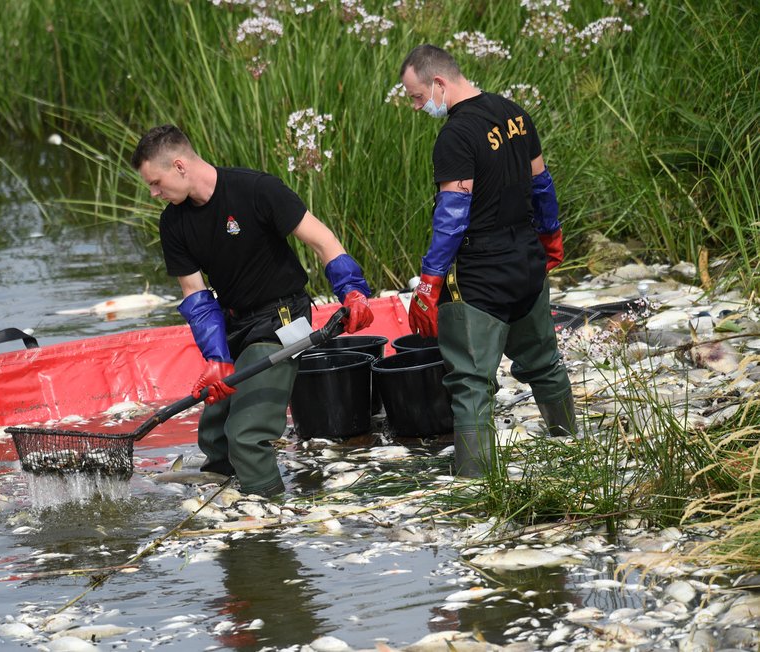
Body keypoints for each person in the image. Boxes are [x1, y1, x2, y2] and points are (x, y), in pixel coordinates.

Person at [130, 125, 374, 497]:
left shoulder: (256, 189)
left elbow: (323, 241)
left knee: (245, 437)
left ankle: (269, 525)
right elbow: (196, 297)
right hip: (235, 324)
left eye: (156, 182)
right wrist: (216, 359)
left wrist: (352, 292)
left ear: (179, 166)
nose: (153, 193)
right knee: (214, 434)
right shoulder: (173, 222)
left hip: (283, 320)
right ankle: (226, 516)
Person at [398, 45, 576, 477]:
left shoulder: (456, 137)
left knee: (471, 384)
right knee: (544, 364)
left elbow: (452, 217)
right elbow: (541, 184)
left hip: (480, 275)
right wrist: (551, 235)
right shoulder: (515, 114)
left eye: (418, 97)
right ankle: (572, 450)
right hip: (527, 264)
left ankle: (475, 486)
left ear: (439, 83)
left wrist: (428, 283)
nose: (419, 107)